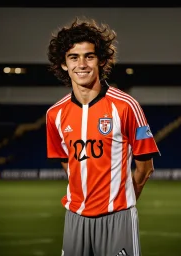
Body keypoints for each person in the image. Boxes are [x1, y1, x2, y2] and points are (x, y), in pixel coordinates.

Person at [46, 16, 160, 256]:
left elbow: (145, 167)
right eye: (73, 57)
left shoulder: (126, 106)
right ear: (64, 64)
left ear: (101, 61)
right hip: (75, 218)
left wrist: (124, 201)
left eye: (89, 56)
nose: (82, 64)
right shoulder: (54, 114)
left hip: (117, 218)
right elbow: (67, 162)